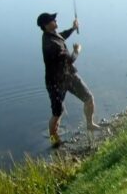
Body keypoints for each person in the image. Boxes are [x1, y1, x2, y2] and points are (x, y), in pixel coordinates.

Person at [37, 12, 101, 147]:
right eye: (52, 20)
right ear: (46, 25)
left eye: (54, 18)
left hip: (69, 76)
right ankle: (54, 141)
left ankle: (90, 124)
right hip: (55, 82)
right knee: (57, 113)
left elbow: (62, 36)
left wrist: (73, 28)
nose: (55, 20)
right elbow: (69, 60)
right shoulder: (51, 44)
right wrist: (77, 50)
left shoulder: (52, 35)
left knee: (89, 98)